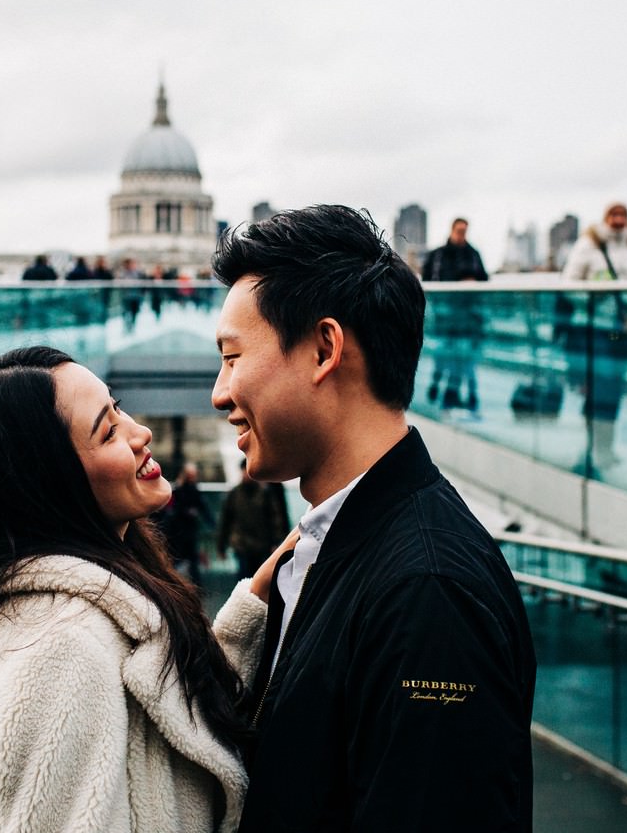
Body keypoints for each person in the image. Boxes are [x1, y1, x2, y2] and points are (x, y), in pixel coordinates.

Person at [211, 204, 535, 831]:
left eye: (231, 357)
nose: (220, 392)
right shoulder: (345, 544)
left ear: (325, 349)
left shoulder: (426, 594)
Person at [0, 346, 286, 832]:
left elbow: (165, 732)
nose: (140, 432)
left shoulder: (61, 620)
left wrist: (256, 599)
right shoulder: (62, 657)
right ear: (46, 484)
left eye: (118, 407)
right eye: (108, 431)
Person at [561, 201, 627, 470]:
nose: (618, 219)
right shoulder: (588, 245)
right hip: (594, 330)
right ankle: (594, 447)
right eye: (614, 214)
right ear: (605, 218)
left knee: (613, 389)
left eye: (623, 214)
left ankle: (605, 447)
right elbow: (568, 284)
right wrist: (592, 297)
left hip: (622, 332)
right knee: (596, 388)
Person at [421, 217, 489, 414]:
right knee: (444, 355)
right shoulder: (438, 256)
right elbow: (428, 282)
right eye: (459, 231)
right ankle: (438, 388)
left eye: (464, 231)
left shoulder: (473, 254)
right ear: (452, 230)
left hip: (467, 319)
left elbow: (484, 281)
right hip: (445, 318)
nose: (462, 235)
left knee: (462, 358)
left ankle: (452, 396)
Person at [216, 461, 291, 579]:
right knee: (244, 578)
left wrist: (276, 542)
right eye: (243, 471)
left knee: (259, 579)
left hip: (261, 545)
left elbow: (275, 519)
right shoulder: (234, 494)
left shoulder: (265, 493)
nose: (246, 474)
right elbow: (225, 521)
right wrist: (221, 545)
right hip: (242, 545)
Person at [164, 461, 207, 584]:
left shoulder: (192, 489)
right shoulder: (179, 490)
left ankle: (192, 586)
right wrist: (188, 512)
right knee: (179, 560)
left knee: (191, 561)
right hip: (180, 531)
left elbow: (202, 507)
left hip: (189, 531)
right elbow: (175, 510)